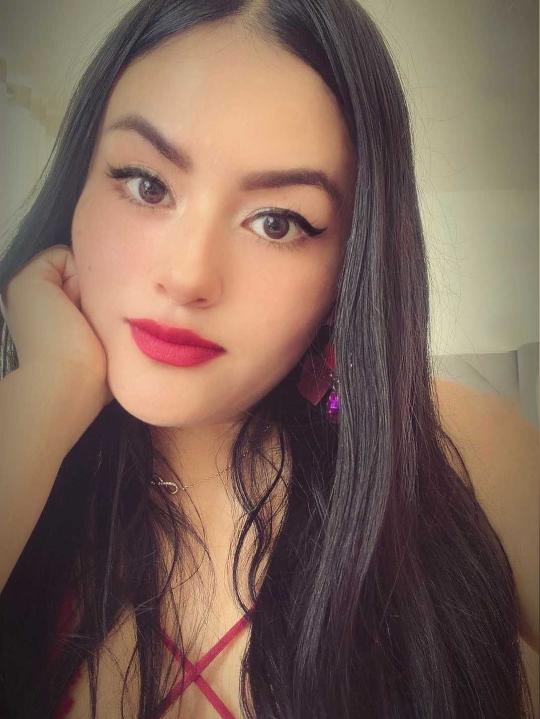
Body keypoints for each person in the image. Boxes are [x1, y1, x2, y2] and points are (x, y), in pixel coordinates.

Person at [0, 1, 537, 717]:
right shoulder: (22, 443)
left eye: (277, 222)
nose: (188, 276)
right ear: (79, 184)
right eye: (146, 184)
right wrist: (44, 398)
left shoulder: (448, 443)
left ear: (349, 266)